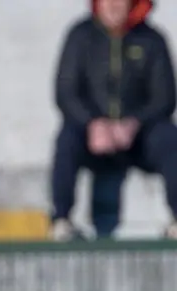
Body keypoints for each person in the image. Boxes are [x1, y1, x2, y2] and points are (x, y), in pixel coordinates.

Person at [50, 0, 177, 240]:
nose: (113, 5)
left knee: (170, 138)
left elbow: (165, 98)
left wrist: (133, 124)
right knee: (66, 139)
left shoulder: (152, 40)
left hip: (138, 139)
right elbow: (65, 93)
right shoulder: (80, 36)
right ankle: (61, 220)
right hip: (93, 138)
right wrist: (93, 124)